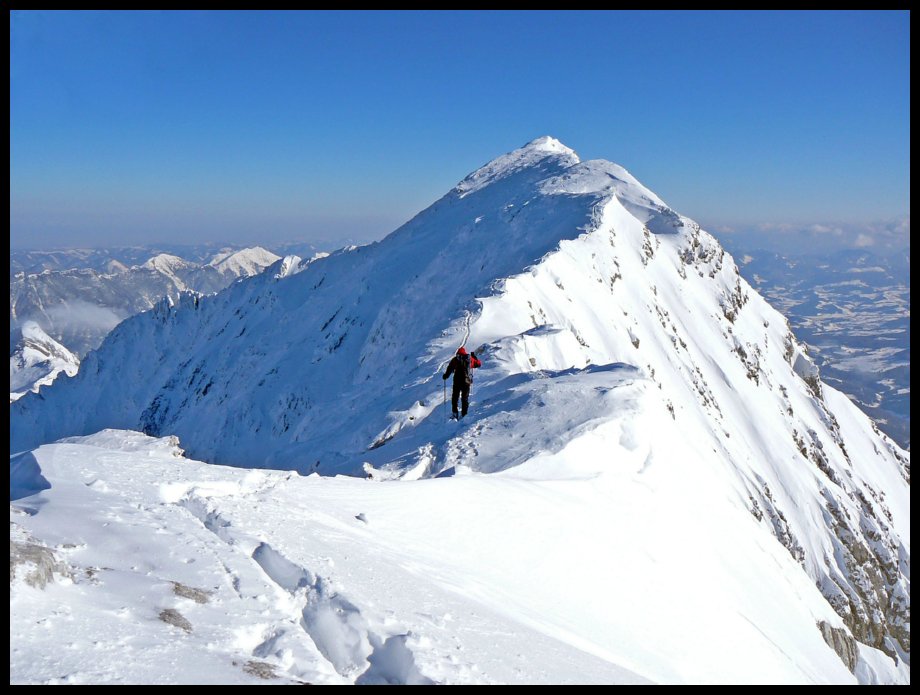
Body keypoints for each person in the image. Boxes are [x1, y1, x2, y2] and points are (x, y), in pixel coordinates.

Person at [442, 346, 482, 420]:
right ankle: (464, 414)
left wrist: (446, 376)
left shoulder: (455, 359)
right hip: (466, 382)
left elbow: (450, 368)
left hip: (457, 382)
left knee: (455, 398)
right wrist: (474, 357)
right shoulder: (470, 359)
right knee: (465, 398)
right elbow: (479, 364)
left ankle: (455, 413)